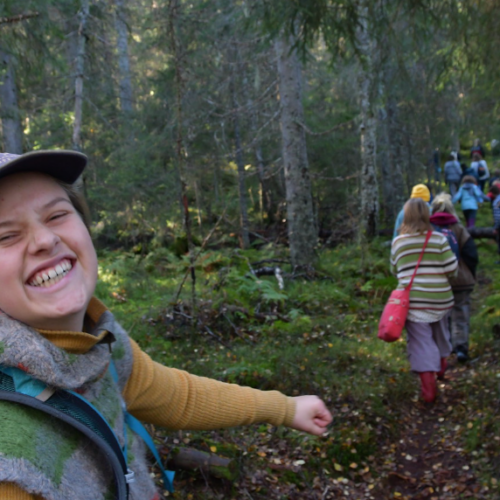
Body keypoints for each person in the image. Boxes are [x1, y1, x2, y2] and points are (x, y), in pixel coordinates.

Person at [0, 150, 332, 499]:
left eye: (56, 215)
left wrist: (285, 408)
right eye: (5, 236)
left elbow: (177, 395)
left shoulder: (96, 346)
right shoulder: (11, 464)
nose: (45, 240)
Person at [390, 198, 458, 403]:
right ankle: (441, 368)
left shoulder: (398, 242)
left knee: (421, 342)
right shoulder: (438, 239)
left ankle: (428, 390)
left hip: (413, 303)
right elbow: (452, 270)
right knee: (441, 334)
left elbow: (394, 270)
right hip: (440, 299)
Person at [430, 193, 478, 363]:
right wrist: (470, 273)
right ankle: (461, 348)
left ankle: (444, 346)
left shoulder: (429, 229)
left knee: (442, 314)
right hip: (461, 279)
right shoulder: (459, 229)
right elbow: (471, 255)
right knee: (461, 313)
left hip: (438, 280)